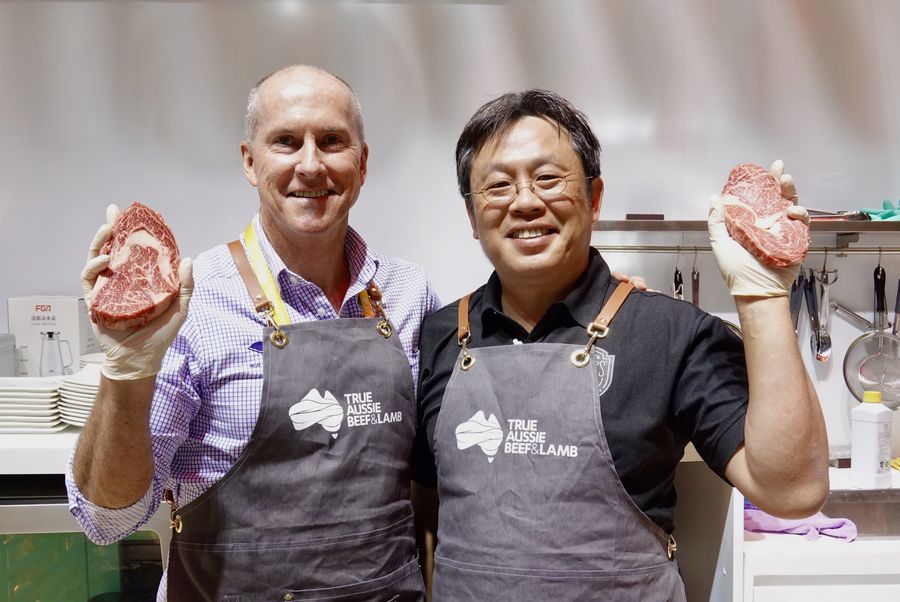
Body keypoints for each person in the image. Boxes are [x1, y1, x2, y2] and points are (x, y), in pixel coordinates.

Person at [413, 89, 829, 600]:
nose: (524, 202)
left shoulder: (670, 333)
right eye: (498, 186)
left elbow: (793, 490)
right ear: (472, 217)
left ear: (594, 198)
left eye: (548, 179)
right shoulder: (439, 334)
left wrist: (763, 296)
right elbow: (428, 506)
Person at [66, 65, 439, 601]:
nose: (310, 164)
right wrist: (125, 372)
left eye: (331, 141)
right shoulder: (192, 302)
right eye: (285, 141)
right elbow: (107, 520)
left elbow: (433, 481)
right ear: (250, 161)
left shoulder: (410, 294)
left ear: (361, 162)